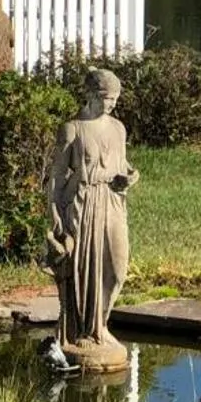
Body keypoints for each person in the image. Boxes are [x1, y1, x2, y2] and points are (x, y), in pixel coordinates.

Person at [45, 67, 137, 371]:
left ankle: (103, 324)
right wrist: (54, 213)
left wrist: (130, 177)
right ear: (89, 95)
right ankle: (85, 332)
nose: (110, 104)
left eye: (114, 99)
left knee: (117, 267)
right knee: (85, 269)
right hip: (83, 205)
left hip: (112, 202)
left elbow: (122, 164)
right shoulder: (72, 129)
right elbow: (57, 176)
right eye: (105, 98)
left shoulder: (118, 129)